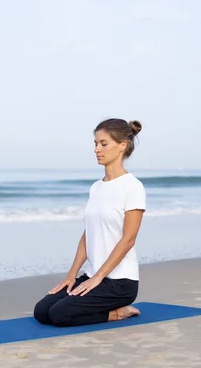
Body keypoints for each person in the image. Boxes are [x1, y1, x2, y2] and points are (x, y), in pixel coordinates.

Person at [33, 118, 146, 327]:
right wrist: (72, 275)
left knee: (59, 315)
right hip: (93, 276)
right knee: (41, 312)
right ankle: (95, 294)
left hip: (120, 283)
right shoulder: (96, 187)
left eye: (103, 144)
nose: (97, 149)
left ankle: (118, 313)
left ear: (122, 146)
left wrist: (99, 277)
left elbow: (128, 239)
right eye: (95, 144)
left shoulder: (132, 186)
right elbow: (89, 234)